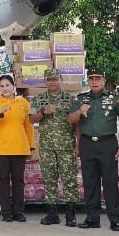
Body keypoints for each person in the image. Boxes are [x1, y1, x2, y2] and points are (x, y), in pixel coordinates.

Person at [68, 67, 119, 231]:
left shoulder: (114, 99)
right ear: (88, 81)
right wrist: (80, 112)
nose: (95, 82)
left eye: (98, 79)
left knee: (110, 182)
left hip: (107, 144)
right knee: (90, 182)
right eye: (92, 79)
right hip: (87, 143)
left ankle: (115, 219)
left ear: (104, 81)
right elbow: (71, 119)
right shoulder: (81, 98)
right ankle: (92, 218)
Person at [29, 68, 79, 227]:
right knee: (49, 180)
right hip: (47, 147)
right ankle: (52, 214)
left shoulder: (70, 99)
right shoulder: (39, 98)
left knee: (69, 180)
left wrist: (78, 145)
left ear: (60, 80)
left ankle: (70, 214)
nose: (52, 82)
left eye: (55, 79)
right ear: (45, 81)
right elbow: (31, 119)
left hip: (66, 146)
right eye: (49, 79)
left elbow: (77, 123)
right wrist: (44, 112)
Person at [0, 74, 33, 223]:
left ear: (13, 87)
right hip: (1, 149)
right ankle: (6, 211)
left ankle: (19, 211)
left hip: (19, 147)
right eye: (2, 86)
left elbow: (28, 126)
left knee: (18, 180)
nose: (5, 88)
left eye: (7, 85)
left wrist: (31, 146)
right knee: (3, 180)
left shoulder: (23, 102)